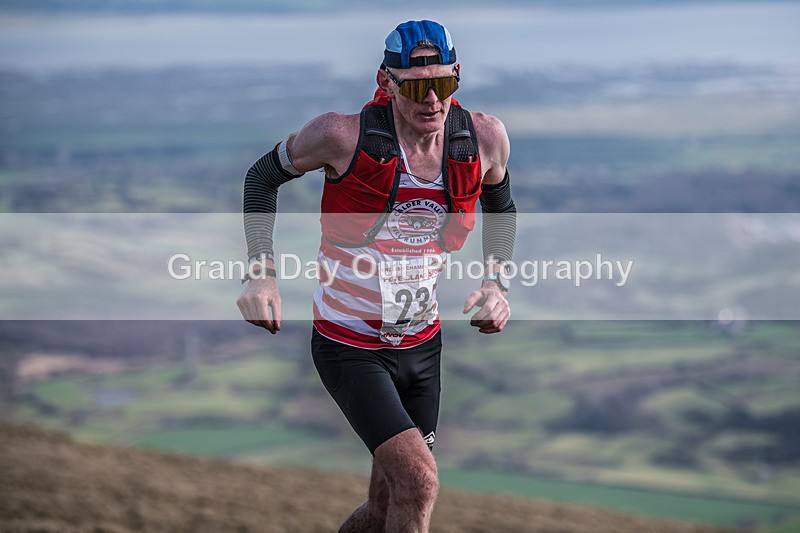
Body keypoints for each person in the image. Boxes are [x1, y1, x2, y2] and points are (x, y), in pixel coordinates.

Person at [237, 19, 517, 532]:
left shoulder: (484, 138)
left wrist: (497, 283)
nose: (431, 98)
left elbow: (502, 206)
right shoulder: (340, 136)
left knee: (388, 507)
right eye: (414, 85)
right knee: (420, 482)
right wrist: (260, 273)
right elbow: (261, 178)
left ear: (458, 75)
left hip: (422, 346)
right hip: (349, 345)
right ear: (386, 81)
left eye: (445, 82)